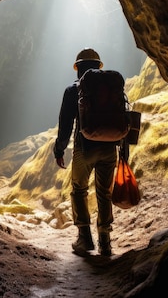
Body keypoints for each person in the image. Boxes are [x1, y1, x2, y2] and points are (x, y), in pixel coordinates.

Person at [53, 47, 119, 256]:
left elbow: (65, 125)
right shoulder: (110, 88)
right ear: (99, 67)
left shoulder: (73, 90)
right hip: (110, 148)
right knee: (104, 193)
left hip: (85, 148)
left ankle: (84, 238)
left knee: (79, 189)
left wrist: (59, 150)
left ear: (78, 68)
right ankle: (106, 242)